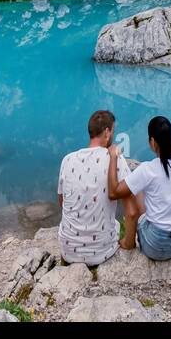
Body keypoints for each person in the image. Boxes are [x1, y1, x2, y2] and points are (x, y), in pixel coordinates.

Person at [107, 115, 171, 261]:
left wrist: (113, 156)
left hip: (156, 247)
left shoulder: (147, 169)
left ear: (152, 141)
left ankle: (128, 241)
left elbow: (114, 192)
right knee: (143, 186)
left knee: (134, 187)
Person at [56, 110, 142, 265]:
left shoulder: (67, 160)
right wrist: (129, 244)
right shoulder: (115, 159)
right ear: (107, 132)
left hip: (68, 250)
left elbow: (62, 203)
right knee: (115, 224)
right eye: (113, 131)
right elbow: (131, 212)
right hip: (102, 252)